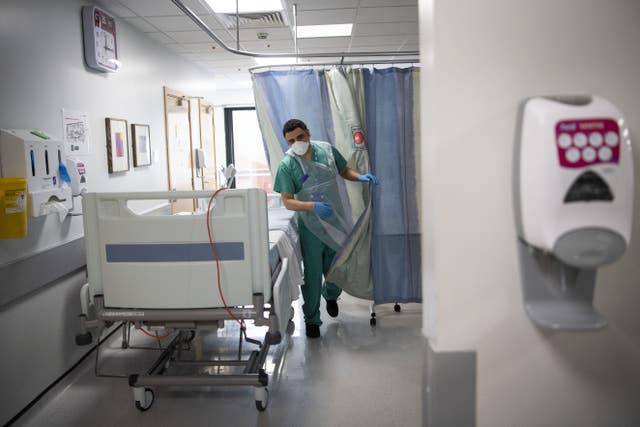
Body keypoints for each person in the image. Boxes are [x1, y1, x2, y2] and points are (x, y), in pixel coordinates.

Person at [273, 119, 378, 338]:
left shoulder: (328, 151)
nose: (297, 143)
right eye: (291, 140)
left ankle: (330, 294)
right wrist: (312, 207)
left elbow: (344, 170)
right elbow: (288, 201)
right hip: (311, 226)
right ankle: (311, 319)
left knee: (337, 265)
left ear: (308, 133)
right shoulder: (287, 165)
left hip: (335, 219)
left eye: (300, 137)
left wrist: (360, 177)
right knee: (312, 276)